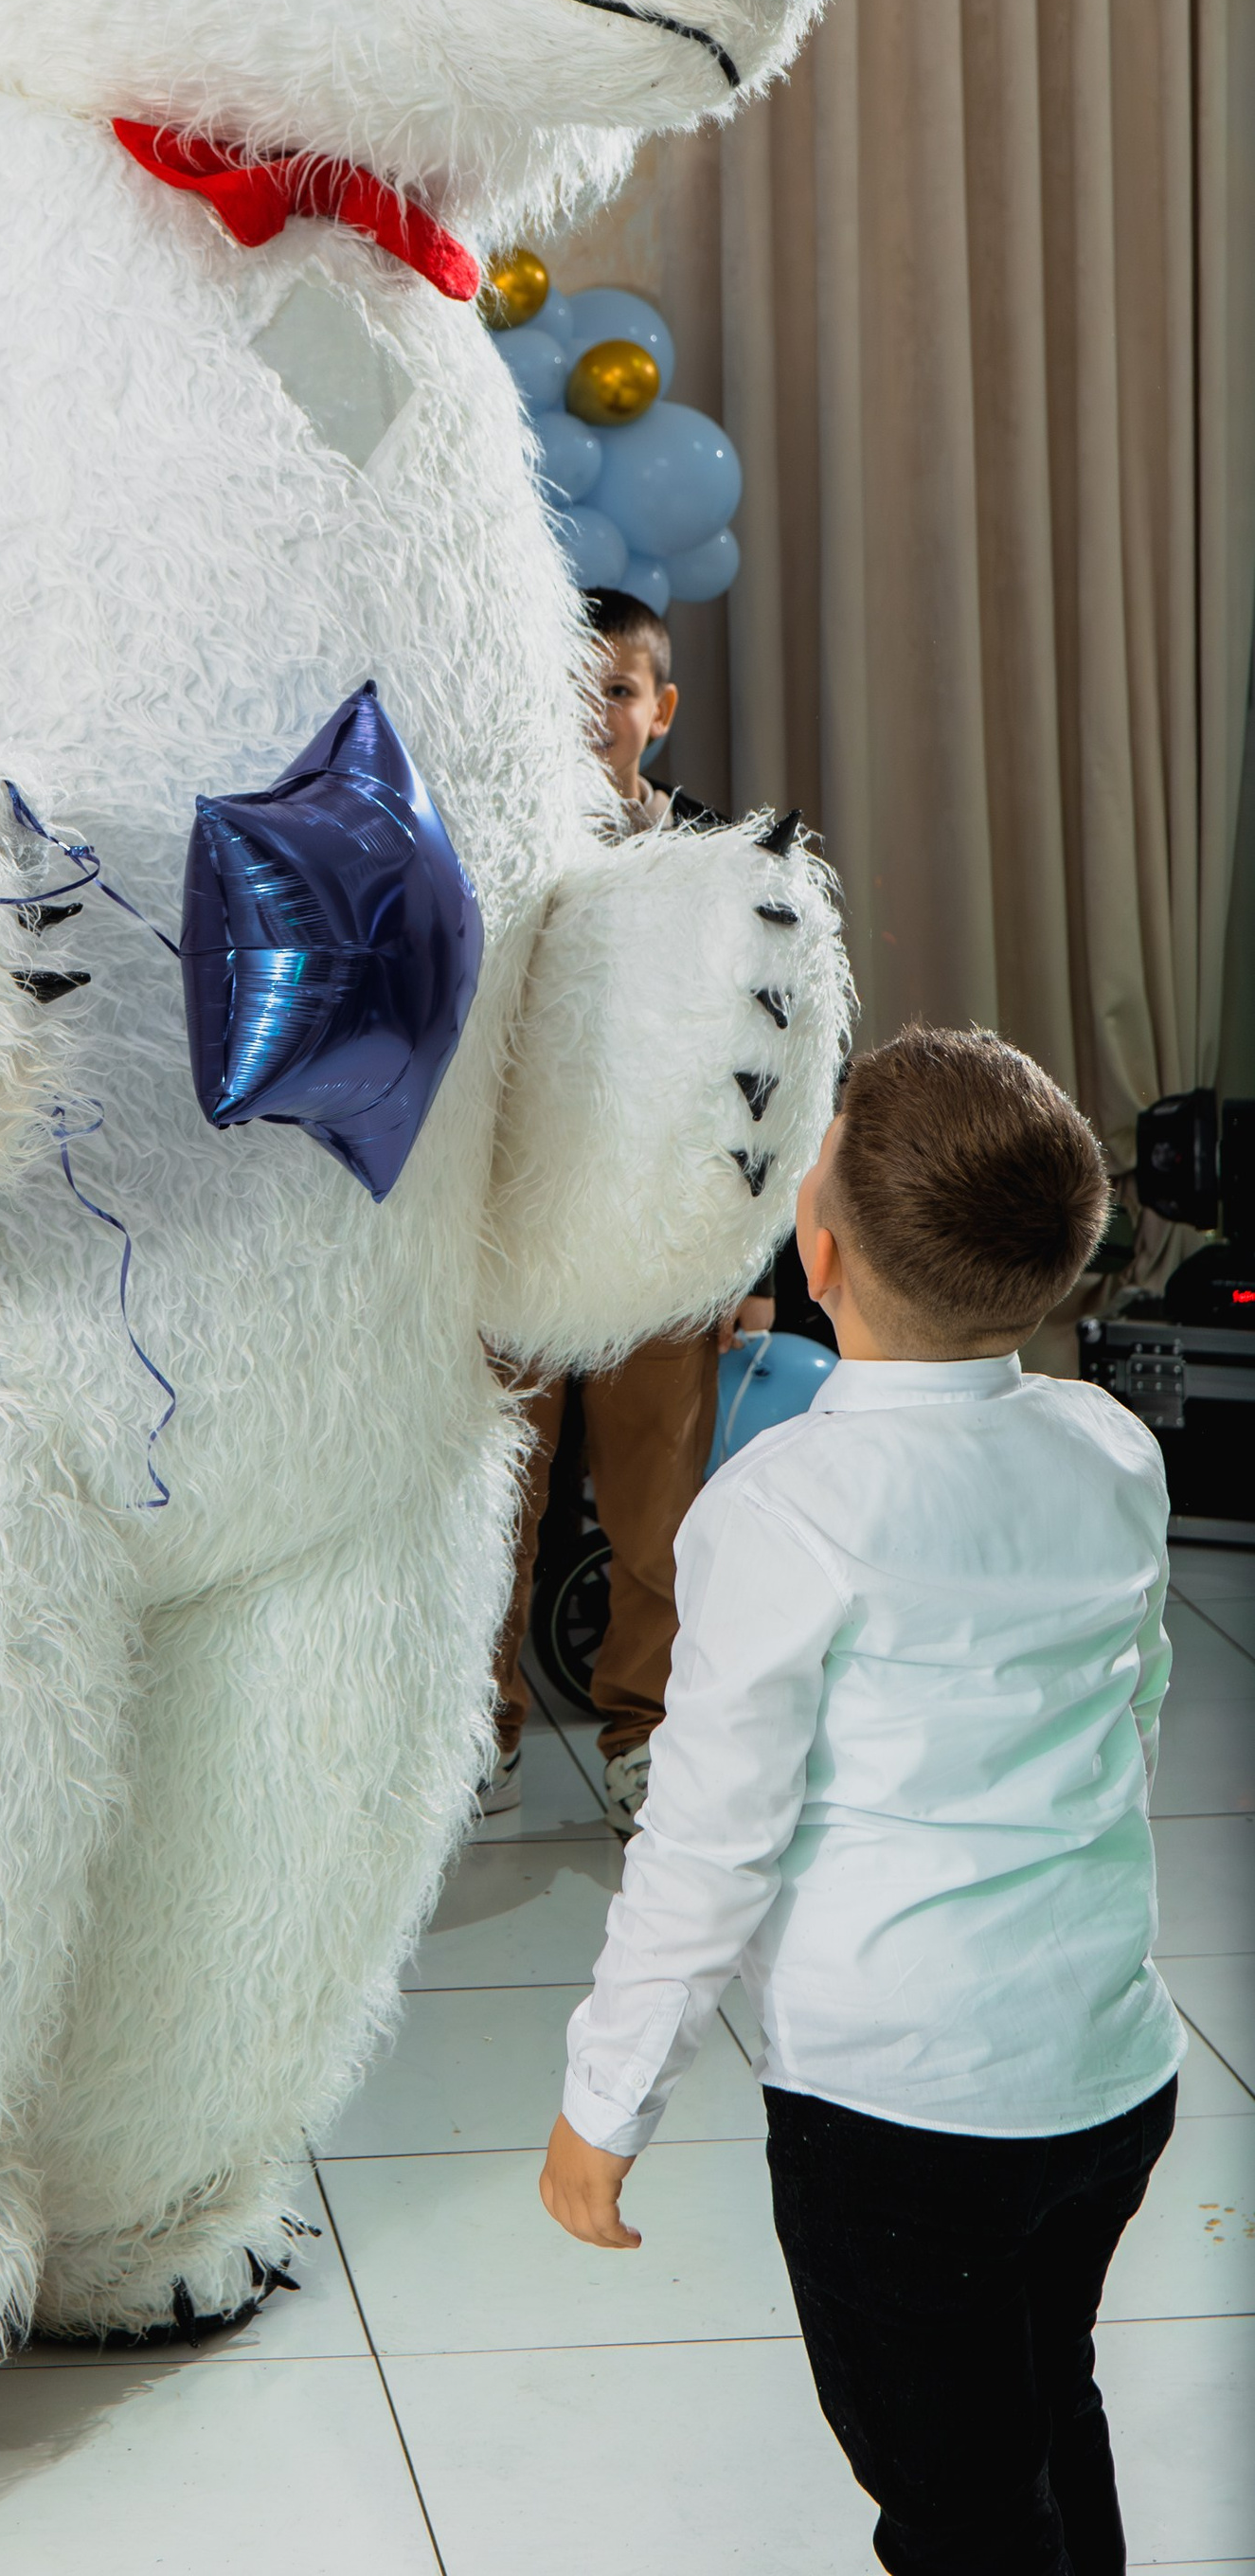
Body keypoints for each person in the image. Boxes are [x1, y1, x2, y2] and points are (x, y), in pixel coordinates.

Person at [541, 1025, 1179, 2576]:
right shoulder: (1111, 1449)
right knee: (1042, 2402)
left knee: (955, 2507)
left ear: (813, 1254)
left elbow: (709, 1842)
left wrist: (603, 2105)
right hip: (1105, 2074)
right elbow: (1136, 1707)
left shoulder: (783, 1509)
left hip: (904, 2118)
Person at [485, 586, 739, 1833]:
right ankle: (479, 1732)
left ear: (663, 709)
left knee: (657, 1517)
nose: (598, 714)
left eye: (621, 690)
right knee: (494, 1503)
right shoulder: (490, 855)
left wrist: (743, 1261)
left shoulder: (718, 872)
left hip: (652, 1242)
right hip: (519, 1235)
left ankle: (644, 1730)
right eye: (572, 691)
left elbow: (753, 1075)